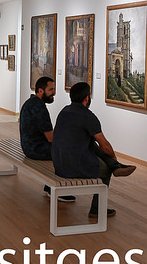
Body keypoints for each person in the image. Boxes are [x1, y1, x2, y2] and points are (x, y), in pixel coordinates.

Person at [52, 82, 136, 218]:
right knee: (105, 170)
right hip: (72, 166)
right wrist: (113, 158)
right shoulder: (87, 116)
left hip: (58, 161)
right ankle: (97, 209)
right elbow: (104, 145)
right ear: (86, 98)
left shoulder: (64, 111)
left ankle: (115, 166)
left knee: (90, 141)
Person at [19, 76, 75, 202]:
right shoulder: (39, 108)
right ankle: (57, 189)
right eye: (51, 90)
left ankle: (50, 186)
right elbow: (50, 138)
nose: (54, 93)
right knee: (66, 152)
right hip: (35, 149)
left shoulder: (31, 103)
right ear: (40, 91)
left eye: (54, 89)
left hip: (29, 145)